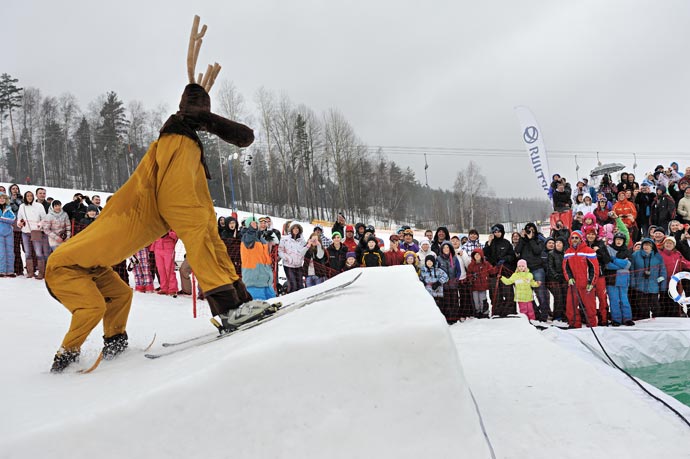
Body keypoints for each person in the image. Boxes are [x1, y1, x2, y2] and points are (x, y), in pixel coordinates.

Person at [46, 16, 256, 372]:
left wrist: (238, 292)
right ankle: (64, 358)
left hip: (91, 264)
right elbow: (179, 205)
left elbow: (198, 216)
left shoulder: (180, 144)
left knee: (121, 294)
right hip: (64, 268)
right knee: (93, 307)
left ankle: (115, 343)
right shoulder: (175, 144)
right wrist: (227, 302)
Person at [563, 231, 599, 328]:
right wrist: (569, 278)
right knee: (571, 306)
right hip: (573, 284)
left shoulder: (588, 251)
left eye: (576, 238)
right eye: (572, 238)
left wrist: (591, 282)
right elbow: (565, 268)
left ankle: (592, 325)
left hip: (585, 284)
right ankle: (574, 324)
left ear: (581, 239)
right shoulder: (567, 252)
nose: (574, 240)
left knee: (590, 307)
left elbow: (594, 268)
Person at [515, 223, 549, 321]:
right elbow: (517, 250)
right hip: (525, 271)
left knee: (541, 293)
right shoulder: (523, 241)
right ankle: (535, 314)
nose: (531, 232)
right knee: (527, 294)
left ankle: (544, 315)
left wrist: (531, 239)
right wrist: (522, 239)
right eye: (528, 230)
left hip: (537, 269)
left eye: (532, 230)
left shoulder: (539, 239)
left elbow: (537, 251)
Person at [484, 223, 517, 317]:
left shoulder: (506, 243)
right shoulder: (490, 243)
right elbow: (485, 255)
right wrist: (489, 243)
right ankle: (497, 311)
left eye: (498, 231)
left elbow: (512, 256)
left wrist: (505, 259)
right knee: (495, 292)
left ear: (502, 232)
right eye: (494, 232)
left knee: (508, 291)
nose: (496, 233)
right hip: (494, 272)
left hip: (505, 271)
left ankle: (510, 310)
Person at [240, 216, 276, 300]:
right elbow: (249, 238)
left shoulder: (261, 239)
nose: (255, 225)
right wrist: (251, 230)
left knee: (273, 304)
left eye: (257, 223)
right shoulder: (246, 237)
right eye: (253, 224)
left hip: (266, 281)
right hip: (253, 282)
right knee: (259, 307)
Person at [630, 238, 667, 320]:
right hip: (639, 286)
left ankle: (657, 322)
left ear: (652, 247)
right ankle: (644, 322)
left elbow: (662, 271)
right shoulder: (635, 255)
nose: (646, 247)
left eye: (649, 245)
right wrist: (633, 283)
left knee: (655, 306)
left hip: (653, 286)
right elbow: (632, 271)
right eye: (645, 244)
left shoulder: (658, 257)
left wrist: (662, 285)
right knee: (642, 306)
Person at [604, 231, 633, 326]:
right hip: (611, 279)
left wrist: (614, 259)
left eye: (621, 240)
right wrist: (621, 264)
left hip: (623, 279)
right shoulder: (608, 249)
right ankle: (616, 319)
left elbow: (628, 264)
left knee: (624, 299)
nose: (619, 241)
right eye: (617, 239)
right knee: (614, 300)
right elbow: (607, 265)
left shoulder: (627, 251)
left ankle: (627, 318)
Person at [584, 228, 611, 326]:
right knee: (590, 299)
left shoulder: (600, 244)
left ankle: (604, 319)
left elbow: (607, 259)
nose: (590, 236)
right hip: (587, 276)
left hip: (599, 275)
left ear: (595, 235)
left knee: (602, 298)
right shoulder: (583, 245)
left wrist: (598, 251)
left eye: (592, 234)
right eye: (588, 234)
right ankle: (592, 320)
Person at [17, 190, 47, 280]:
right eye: (27, 196)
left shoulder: (39, 206)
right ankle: (30, 272)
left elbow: (44, 218)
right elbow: (19, 218)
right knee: (27, 253)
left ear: (33, 197)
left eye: (31, 196)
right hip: (25, 232)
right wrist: (20, 223)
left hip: (36, 231)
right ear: (25, 197)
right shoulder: (22, 206)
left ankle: (41, 272)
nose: (29, 197)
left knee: (38, 252)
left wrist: (40, 225)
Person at [657, 236, 690, 316]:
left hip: (674, 282)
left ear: (674, 245)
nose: (668, 245)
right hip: (663, 281)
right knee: (663, 298)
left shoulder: (677, 254)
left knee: (674, 299)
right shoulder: (659, 254)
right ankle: (663, 314)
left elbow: (685, 263)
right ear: (664, 244)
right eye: (667, 243)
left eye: (670, 243)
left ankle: (675, 314)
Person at [436, 241, 465, 323]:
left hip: (453, 283)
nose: (446, 249)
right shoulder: (438, 259)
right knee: (446, 301)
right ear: (441, 249)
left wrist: (456, 279)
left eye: (447, 247)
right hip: (444, 284)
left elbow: (459, 270)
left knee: (454, 300)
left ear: (450, 248)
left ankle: (455, 317)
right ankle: (448, 318)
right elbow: (437, 270)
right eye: (444, 247)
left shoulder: (455, 258)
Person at [279, 222, 308, 293]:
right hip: (288, 265)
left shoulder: (302, 240)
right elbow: (280, 251)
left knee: (300, 286)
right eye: (294, 228)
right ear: (291, 229)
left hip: (298, 265)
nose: (296, 229)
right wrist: (288, 258)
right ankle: (290, 299)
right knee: (293, 285)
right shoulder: (285, 239)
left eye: (297, 228)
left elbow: (304, 251)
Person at [150, 230, 179, 296]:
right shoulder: (158, 224)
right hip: (158, 247)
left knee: (169, 269)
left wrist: (168, 233)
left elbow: (177, 235)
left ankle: (173, 289)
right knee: (160, 269)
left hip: (168, 248)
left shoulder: (171, 223)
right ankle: (164, 288)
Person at [546, 238, 568, 323]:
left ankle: (565, 314)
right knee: (558, 297)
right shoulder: (551, 254)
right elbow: (550, 266)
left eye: (560, 243)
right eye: (557, 242)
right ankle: (557, 316)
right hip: (554, 278)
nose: (558, 244)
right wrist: (555, 275)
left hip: (564, 278)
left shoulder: (565, 253)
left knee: (565, 296)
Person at [466, 248, 493, 318]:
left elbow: (492, 271)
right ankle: (477, 312)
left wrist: (498, 268)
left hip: (483, 286)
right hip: (474, 286)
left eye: (478, 254)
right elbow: (468, 275)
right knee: (476, 301)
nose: (477, 256)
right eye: (475, 255)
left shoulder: (486, 264)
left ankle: (484, 312)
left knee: (483, 300)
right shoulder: (471, 265)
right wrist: (472, 278)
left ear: (481, 255)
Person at [0, 192, 16, 277]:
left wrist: (1, 218)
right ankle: (2, 271)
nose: (2, 199)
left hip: (9, 233)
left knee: (10, 252)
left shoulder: (9, 209)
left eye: (3, 198)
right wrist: (6, 219)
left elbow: (12, 219)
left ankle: (10, 271)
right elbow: (8, 220)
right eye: (0, 198)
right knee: (1, 253)